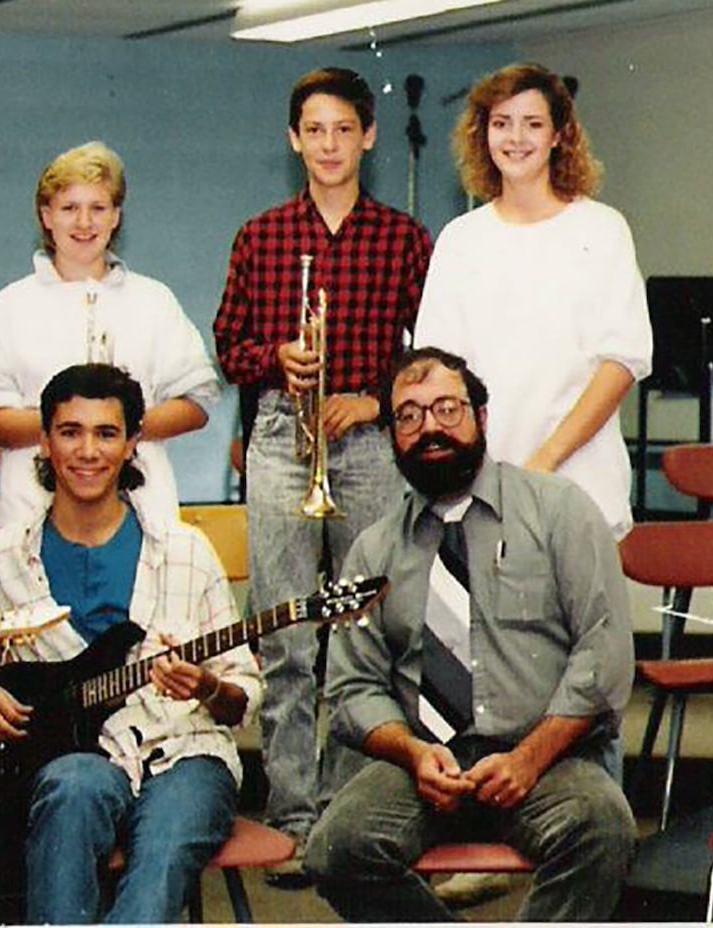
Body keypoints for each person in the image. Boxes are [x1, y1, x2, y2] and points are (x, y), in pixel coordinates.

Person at [304, 346, 636, 921]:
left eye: (446, 408)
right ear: (392, 437)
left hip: (547, 759)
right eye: (408, 415)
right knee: (336, 849)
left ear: (481, 418)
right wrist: (411, 753)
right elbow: (353, 685)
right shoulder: (374, 549)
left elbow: (603, 655)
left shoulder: (559, 512)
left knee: (602, 828)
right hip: (425, 767)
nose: (429, 426)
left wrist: (529, 759)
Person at [0, 363, 262, 923]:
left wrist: (207, 687)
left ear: (133, 445)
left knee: (158, 860)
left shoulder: (185, 550)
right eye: (71, 432)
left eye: (106, 433)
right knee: (68, 793)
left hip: (185, 753)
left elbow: (242, 693)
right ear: (44, 440)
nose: (88, 451)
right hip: (77, 756)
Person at [211, 67, 432, 855]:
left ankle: (347, 805)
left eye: (345, 129)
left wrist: (374, 396)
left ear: (369, 137)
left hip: (370, 442)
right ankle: (292, 811)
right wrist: (278, 359)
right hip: (282, 436)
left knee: (364, 629)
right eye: (315, 129)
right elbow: (228, 347)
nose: (329, 144)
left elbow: (430, 354)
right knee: (287, 632)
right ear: (293, 138)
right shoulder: (261, 234)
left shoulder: (405, 238)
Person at [413, 62, 651, 540]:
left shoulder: (602, 230)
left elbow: (619, 365)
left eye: (533, 124)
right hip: (478, 497)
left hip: (581, 495)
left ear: (560, 135)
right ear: (483, 134)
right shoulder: (460, 240)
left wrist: (543, 463)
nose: (516, 138)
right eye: (501, 124)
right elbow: (438, 373)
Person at [0, 141, 218, 532]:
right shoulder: (9, 306)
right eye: (69, 208)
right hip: (30, 508)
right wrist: (71, 430)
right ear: (46, 216)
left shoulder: (154, 301)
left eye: (97, 208)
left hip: (141, 505)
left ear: (116, 216)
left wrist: (117, 430)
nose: (84, 223)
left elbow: (195, 405)